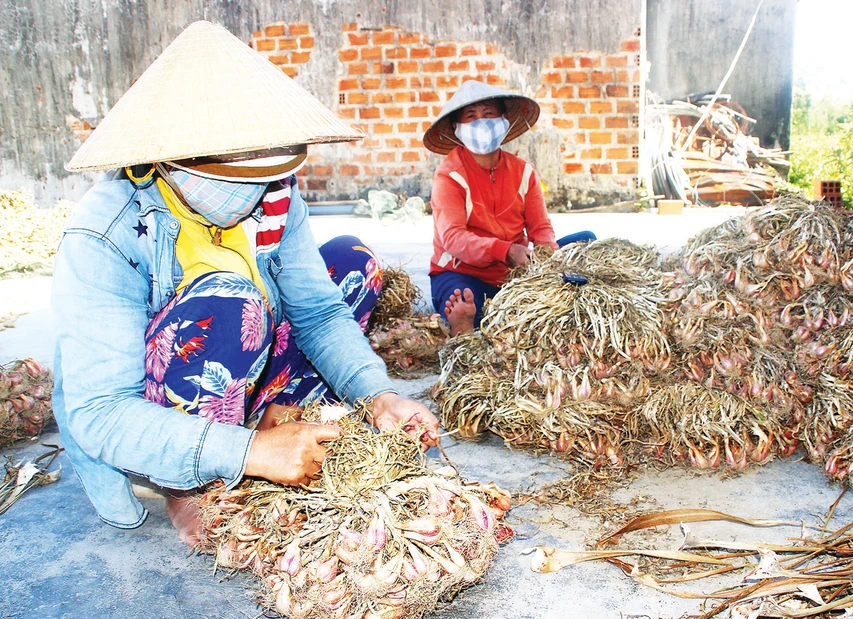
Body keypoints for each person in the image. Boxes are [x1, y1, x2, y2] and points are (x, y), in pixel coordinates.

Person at [52, 21, 438, 545]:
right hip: (157, 403)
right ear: (169, 160)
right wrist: (247, 455)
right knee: (231, 304)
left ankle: (263, 421)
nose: (256, 192)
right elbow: (100, 412)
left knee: (352, 263)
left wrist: (377, 394)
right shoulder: (106, 234)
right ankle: (190, 483)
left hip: (244, 371)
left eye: (266, 174)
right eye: (237, 175)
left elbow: (319, 313)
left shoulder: (274, 192)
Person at [423, 80, 595, 336]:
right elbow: (453, 238)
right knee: (462, 297)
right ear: (458, 129)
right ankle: (467, 321)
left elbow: (540, 227)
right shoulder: (449, 176)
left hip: (517, 274)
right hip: (464, 274)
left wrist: (548, 257)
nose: (481, 122)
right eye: (471, 116)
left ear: (503, 120)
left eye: (489, 113)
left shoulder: (523, 171)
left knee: (586, 242)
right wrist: (504, 250)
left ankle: (513, 305)